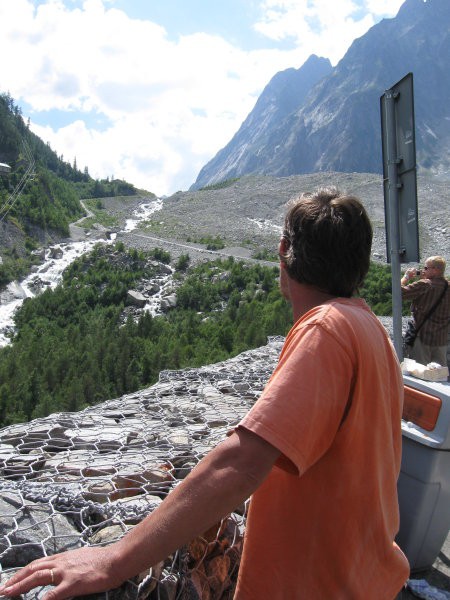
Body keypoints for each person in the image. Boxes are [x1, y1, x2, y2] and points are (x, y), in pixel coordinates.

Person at [0, 188, 409, 600]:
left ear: (283, 250)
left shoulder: (325, 329)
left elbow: (241, 463)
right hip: (360, 574)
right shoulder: (371, 330)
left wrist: (115, 559)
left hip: (316, 586)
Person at [401, 256, 450, 366]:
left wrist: (406, 277)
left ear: (435, 270)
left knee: (420, 373)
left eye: (426, 268)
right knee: (439, 376)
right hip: (441, 339)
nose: (423, 270)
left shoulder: (425, 284)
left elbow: (398, 291)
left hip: (422, 338)